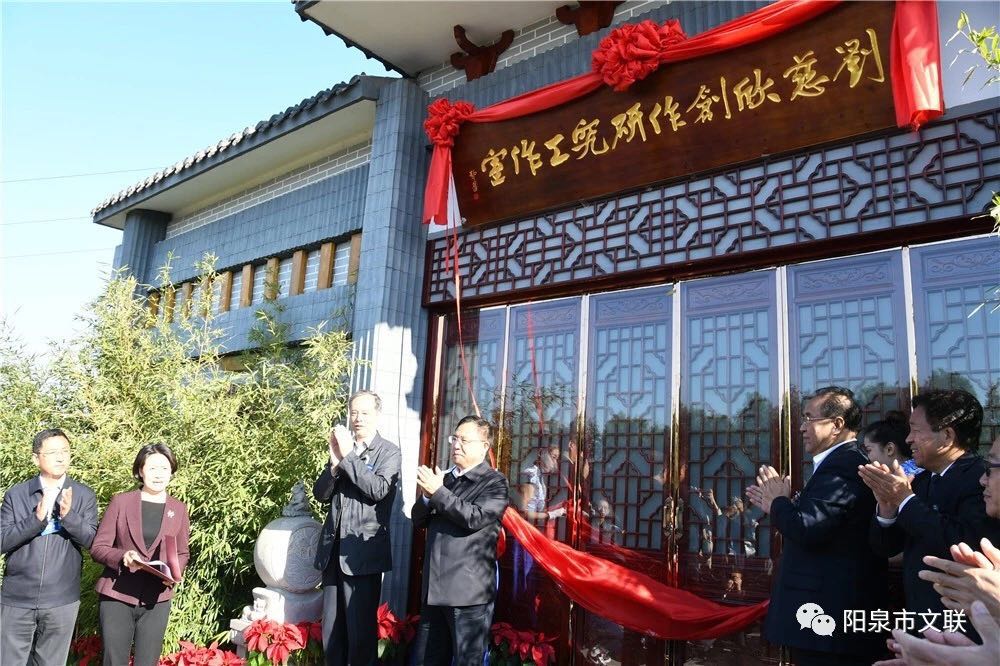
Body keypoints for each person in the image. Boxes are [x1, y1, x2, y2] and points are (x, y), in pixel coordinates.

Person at [746, 386, 887, 666]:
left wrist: (779, 502)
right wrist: (778, 505)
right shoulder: (839, 463)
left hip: (828, 618)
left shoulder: (844, 467)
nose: (801, 427)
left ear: (837, 425)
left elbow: (807, 529)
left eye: (809, 418)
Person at [862, 389, 997, 624]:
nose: (908, 439)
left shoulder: (981, 480)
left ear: (947, 436)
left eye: (916, 430)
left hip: (964, 626)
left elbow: (964, 542)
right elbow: (885, 547)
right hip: (921, 618)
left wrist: (905, 500)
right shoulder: (919, 481)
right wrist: (887, 509)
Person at [411, 415, 509, 666]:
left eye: (464, 440)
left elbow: (475, 517)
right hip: (434, 589)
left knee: (468, 661)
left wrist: (438, 492)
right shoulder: (444, 478)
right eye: (454, 438)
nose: (456, 444)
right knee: (427, 660)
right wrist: (426, 497)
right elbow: (418, 519)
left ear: (484, 446)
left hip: (468, 593)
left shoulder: (495, 482)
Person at [312, 390, 401, 666]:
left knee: (360, 635)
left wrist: (348, 456)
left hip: (361, 556)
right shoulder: (343, 450)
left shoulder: (389, 452)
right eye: (353, 412)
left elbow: (378, 489)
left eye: (364, 412)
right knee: (332, 632)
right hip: (333, 553)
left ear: (377, 415)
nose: (358, 418)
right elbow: (320, 494)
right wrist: (334, 466)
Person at [1, 428, 98, 666]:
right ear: (36, 458)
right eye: (53, 452)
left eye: (65, 451)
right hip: (17, 598)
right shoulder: (17, 495)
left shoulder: (84, 495)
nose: (60, 457)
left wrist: (69, 516)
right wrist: (35, 519)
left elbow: (94, 542)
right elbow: (2, 541)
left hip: (61, 600)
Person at [91, 443, 190, 666]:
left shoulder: (179, 509)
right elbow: (98, 547)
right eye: (152, 468)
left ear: (172, 472)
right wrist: (122, 557)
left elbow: (183, 551)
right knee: (113, 661)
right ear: (140, 470)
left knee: (148, 661)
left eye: (164, 468)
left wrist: (174, 573)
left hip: (157, 598)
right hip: (118, 594)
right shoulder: (121, 502)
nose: (159, 474)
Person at [861, 411, 921, 476]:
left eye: (868, 450)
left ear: (889, 449)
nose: (868, 457)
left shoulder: (912, 477)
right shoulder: (917, 470)